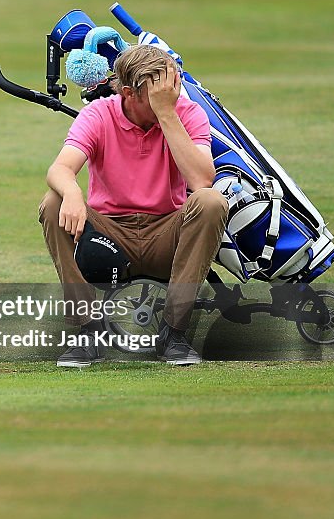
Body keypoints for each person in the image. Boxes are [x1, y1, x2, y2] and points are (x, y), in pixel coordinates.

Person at [39, 44, 228, 367]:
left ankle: (174, 333)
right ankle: (87, 330)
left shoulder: (187, 112)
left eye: (172, 86)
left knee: (211, 202)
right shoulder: (98, 114)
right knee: (53, 201)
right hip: (109, 236)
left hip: (166, 234)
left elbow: (200, 181)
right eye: (156, 92)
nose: (168, 95)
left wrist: (167, 114)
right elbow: (59, 169)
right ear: (128, 92)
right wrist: (72, 194)